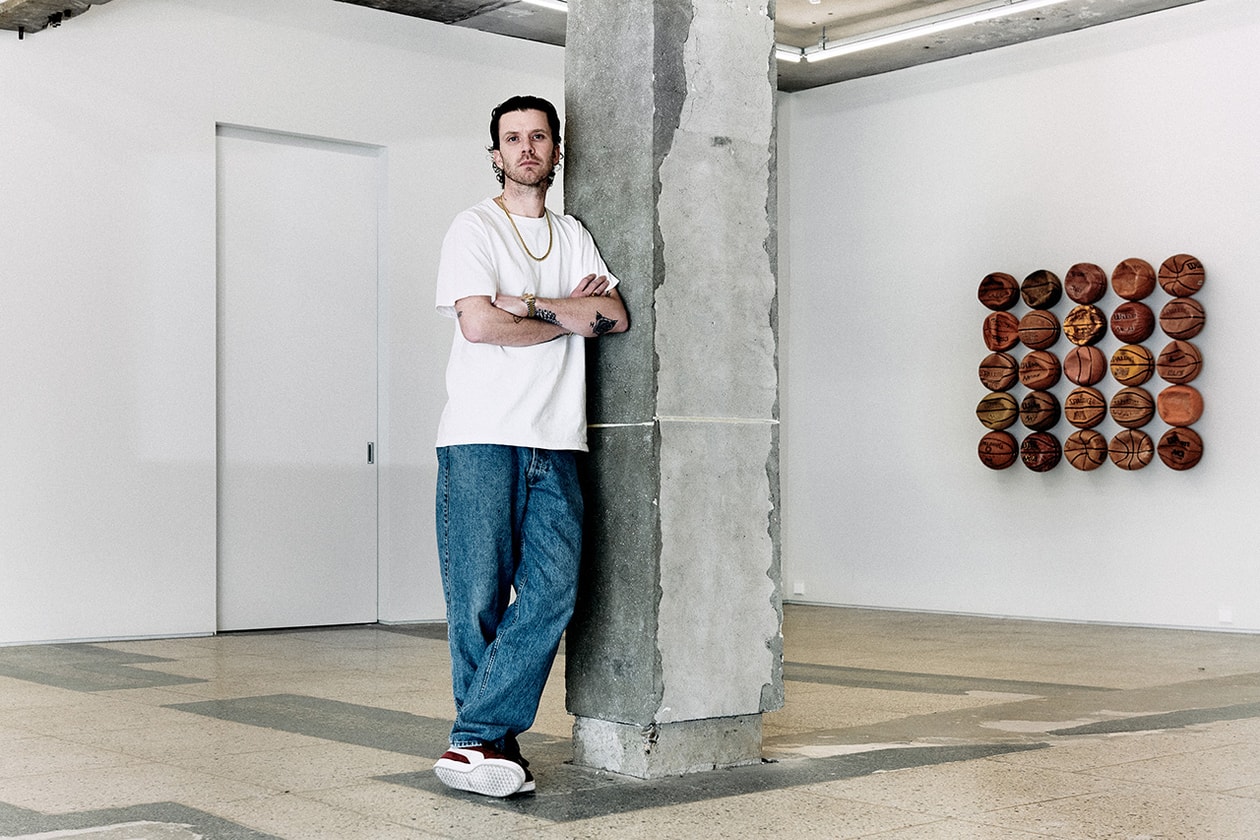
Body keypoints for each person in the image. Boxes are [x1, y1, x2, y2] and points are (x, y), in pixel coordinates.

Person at [431, 94, 628, 798]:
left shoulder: (572, 234)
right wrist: (568, 315)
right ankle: (487, 747)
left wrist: (530, 305)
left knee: (553, 592)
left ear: (556, 150)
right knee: (478, 600)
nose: (526, 148)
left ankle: (473, 739)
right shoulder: (474, 227)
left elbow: (613, 315)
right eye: (512, 138)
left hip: (557, 440)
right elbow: (480, 327)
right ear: (496, 153)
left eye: (538, 136)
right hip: (481, 438)